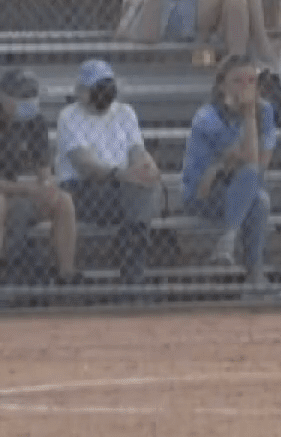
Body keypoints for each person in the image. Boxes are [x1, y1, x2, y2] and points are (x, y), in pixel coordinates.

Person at [55, 60, 164, 286]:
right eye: (94, 89)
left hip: (123, 189)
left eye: (105, 87)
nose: (100, 94)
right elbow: (84, 164)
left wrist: (146, 169)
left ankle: (132, 274)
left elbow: (137, 152)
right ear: (81, 91)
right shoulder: (69, 115)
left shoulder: (125, 112)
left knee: (145, 187)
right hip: (84, 190)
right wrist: (121, 175)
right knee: (141, 196)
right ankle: (133, 274)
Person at [181, 56, 277, 292]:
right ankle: (255, 278)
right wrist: (248, 115)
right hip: (204, 195)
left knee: (259, 198)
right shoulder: (208, 116)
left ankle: (231, 246)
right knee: (258, 196)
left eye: (251, 81)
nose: (245, 87)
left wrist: (250, 115)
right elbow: (249, 160)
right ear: (222, 85)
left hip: (242, 187)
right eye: (237, 81)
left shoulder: (265, 112)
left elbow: (258, 164)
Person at [0, 68, 79, 287]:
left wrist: (47, 185)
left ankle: (67, 276)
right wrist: (27, 189)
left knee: (63, 201)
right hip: (8, 193)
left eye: (30, 96)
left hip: (17, 191)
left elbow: (43, 169)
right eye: (21, 97)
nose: (28, 101)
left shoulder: (35, 121)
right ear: (4, 98)